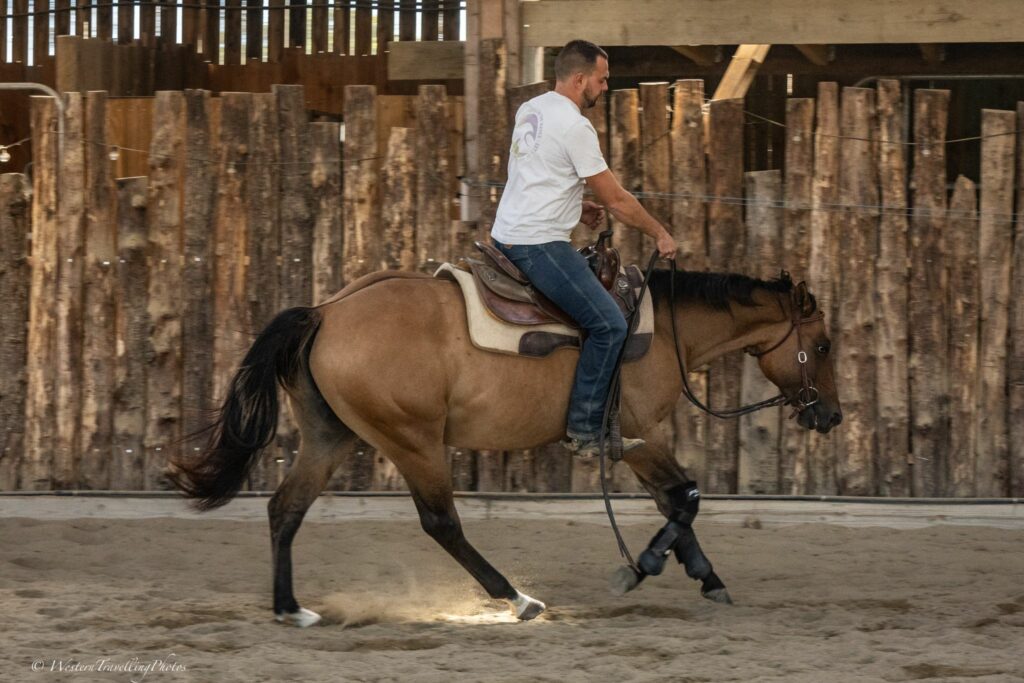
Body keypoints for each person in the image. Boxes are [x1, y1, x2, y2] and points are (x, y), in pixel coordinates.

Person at [491, 39, 678, 457]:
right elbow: (617, 200)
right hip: (537, 245)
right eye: (602, 79)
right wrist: (659, 232)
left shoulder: (531, 110)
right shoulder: (576, 127)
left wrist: (576, 207)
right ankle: (584, 429)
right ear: (580, 79)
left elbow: (535, 177)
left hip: (506, 234)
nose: (605, 86)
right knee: (610, 326)